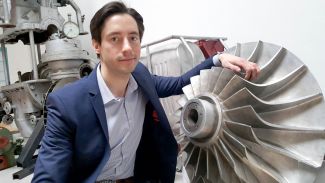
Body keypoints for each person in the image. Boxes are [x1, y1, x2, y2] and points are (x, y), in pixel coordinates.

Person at [32, 1, 260, 183]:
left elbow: (178, 82)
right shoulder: (65, 103)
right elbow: (49, 173)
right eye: (115, 39)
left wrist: (217, 59)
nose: (127, 47)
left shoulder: (140, 76)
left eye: (133, 38)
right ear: (96, 45)